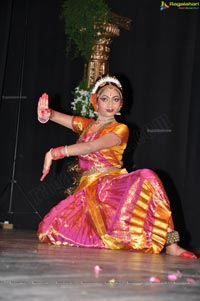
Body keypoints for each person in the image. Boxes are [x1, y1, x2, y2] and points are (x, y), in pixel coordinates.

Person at [37, 75, 197, 258]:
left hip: (111, 187)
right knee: (48, 230)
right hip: (88, 190)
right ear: (95, 101)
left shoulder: (120, 129)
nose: (110, 103)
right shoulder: (87, 125)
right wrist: (46, 115)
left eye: (116, 99)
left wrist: (56, 152)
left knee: (148, 177)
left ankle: (172, 244)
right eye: (105, 98)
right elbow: (55, 115)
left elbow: (91, 146)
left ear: (121, 105)